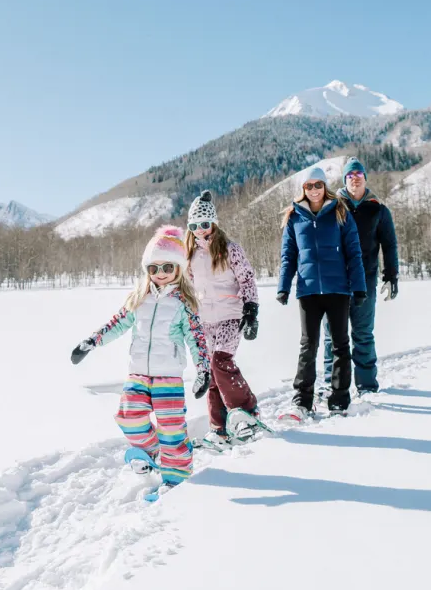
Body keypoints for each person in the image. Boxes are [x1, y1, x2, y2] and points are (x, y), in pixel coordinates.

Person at [70, 225, 211, 500]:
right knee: (129, 417)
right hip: (138, 374)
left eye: (167, 267)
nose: (160, 274)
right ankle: (154, 452)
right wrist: (91, 341)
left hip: (168, 375)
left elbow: (197, 339)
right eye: (153, 268)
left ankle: (175, 477)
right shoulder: (139, 299)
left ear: (179, 268)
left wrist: (203, 370)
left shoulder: (184, 303)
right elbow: (116, 324)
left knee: (171, 429)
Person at [277, 165, 367, 416]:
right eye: (309, 186)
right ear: (303, 189)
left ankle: (339, 397)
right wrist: (283, 286)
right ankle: (302, 399)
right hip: (308, 291)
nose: (314, 190)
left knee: (340, 344)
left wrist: (358, 287)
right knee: (309, 345)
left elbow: (354, 252)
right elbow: (288, 256)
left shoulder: (340, 212)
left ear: (324, 186)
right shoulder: (294, 216)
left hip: (338, 289)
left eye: (318, 185)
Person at [183, 190, 263, 448]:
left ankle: (248, 410)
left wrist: (251, 309)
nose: (200, 231)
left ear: (214, 224)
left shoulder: (230, 249)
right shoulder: (190, 256)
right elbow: (188, 289)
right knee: (211, 373)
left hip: (230, 315)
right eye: (194, 226)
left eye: (204, 225)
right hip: (206, 320)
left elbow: (247, 279)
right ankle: (219, 429)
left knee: (221, 361)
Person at [322, 157, 399, 396]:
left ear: (365, 178)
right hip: (334, 281)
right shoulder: (332, 207)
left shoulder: (378, 209)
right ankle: (331, 384)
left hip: (365, 281)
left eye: (358, 174)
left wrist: (391, 276)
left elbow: (390, 245)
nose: (354, 179)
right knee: (333, 337)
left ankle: (366, 386)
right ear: (345, 180)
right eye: (350, 175)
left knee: (363, 334)